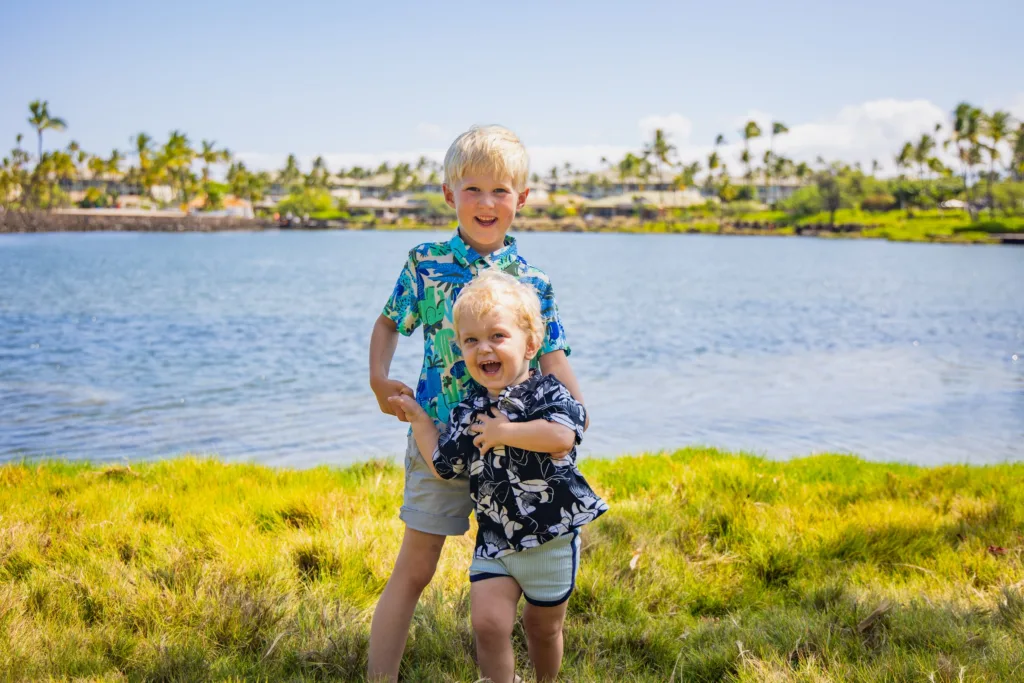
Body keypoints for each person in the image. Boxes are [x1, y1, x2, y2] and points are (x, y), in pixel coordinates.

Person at [367, 125, 587, 682]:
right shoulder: (426, 262)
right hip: (440, 439)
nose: (486, 203)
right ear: (449, 194)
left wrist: (577, 414)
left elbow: (552, 353)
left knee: (520, 580)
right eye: (472, 190)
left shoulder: (534, 281)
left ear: (522, 199)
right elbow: (390, 322)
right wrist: (378, 378)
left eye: (500, 191)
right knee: (414, 570)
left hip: (518, 455)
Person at [391, 270, 607, 683]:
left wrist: (504, 432)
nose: (483, 348)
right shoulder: (468, 411)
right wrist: (420, 419)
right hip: (495, 540)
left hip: (551, 537)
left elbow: (562, 436)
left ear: (531, 344)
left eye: (497, 337)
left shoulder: (548, 393)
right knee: (488, 625)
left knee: (543, 630)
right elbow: (442, 462)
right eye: (471, 341)